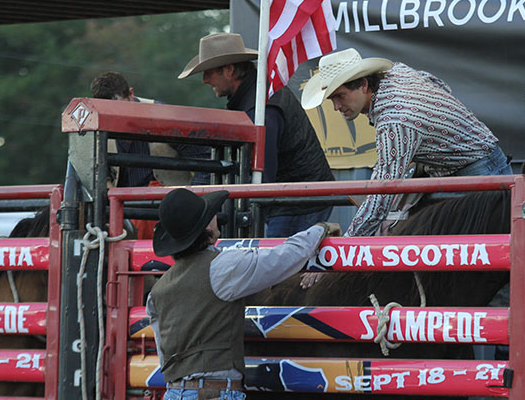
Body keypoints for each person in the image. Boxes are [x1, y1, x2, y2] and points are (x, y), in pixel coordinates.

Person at [146, 188, 340, 399]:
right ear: (207, 226)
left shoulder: (157, 292)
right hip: (216, 392)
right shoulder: (223, 267)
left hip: (174, 392)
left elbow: (164, 352)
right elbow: (284, 257)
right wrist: (321, 228)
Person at [301, 48, 512, 239]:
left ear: (363, 85)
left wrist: (347, 245)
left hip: (476, 171)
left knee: (482, 251)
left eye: (340, 96)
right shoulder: (397, 72)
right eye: (332, 99)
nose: (336, 106)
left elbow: (382, 192)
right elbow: (439, 85)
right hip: (468, 166)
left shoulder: (394, 119)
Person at [178, 33, 335, 238]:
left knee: (280, 256)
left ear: (229, 70)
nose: (204, 80)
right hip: (295, 197)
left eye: (209, 72)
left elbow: (262, 173)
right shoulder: (257, 96)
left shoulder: (262, 107)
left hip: (298, 202)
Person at [90, 71, 211, 186]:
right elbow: (94, 170)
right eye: (109, 113)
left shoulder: (163, 115)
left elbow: (203, 161)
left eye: (120, 109)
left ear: (131, 94)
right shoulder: (96, 125)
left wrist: (195, 197)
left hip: (168, 198)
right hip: (119, 199)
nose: (116, 117)